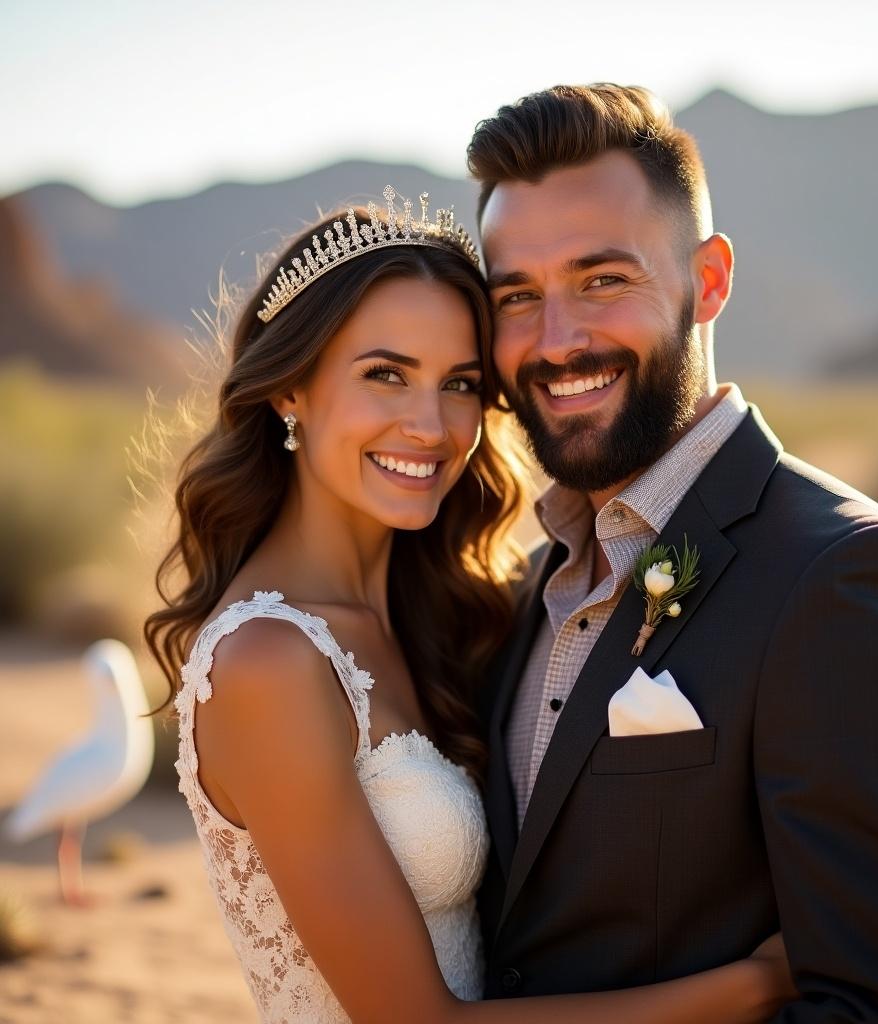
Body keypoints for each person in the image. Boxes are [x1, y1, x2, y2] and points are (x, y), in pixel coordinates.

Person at [144, 189, 796, 1023]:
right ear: (289, 392)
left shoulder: (442, 615)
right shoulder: (268, 663)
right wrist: (762, 980)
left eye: (459, 384)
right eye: (386, 374)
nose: (431, 426)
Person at [467, 83, 878, 1022]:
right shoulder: (527, 583)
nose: (558, 340)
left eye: (603, 280)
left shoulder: (852, 583)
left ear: (708, 281)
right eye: (518, 296)